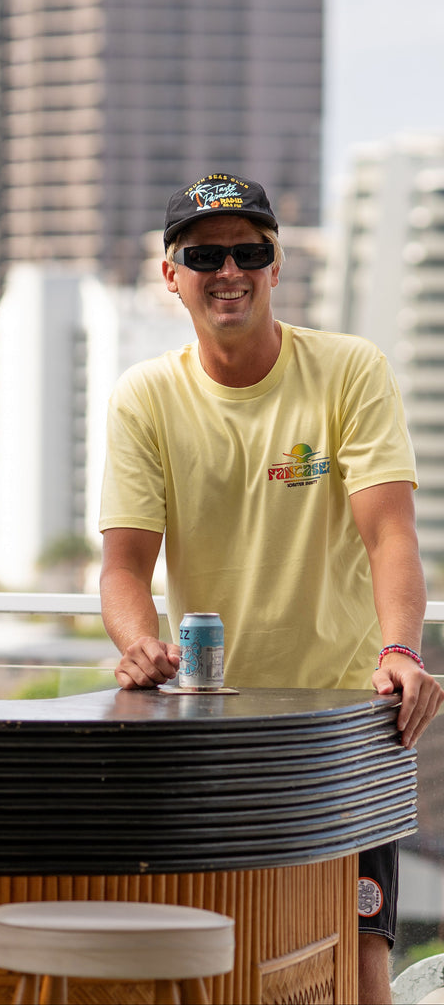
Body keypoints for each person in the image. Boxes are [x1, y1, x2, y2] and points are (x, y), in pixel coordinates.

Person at [98, 172, 444, 1003]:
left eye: (250, 251)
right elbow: (122, 568)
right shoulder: (147, 394)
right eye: (205, 254)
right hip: (214, 731)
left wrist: (401, 649)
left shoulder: (348, 369)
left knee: (361, 968)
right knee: (219, 962)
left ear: (277, 265)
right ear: (171, 274)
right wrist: (139, 644)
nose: (229, 271)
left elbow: (391, 531)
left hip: (345, 726)